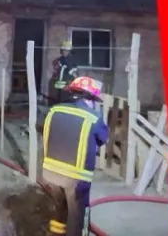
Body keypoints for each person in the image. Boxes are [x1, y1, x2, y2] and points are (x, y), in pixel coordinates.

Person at [41, 76, 108, 236]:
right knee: (77, 217)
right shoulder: (92, 117)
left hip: (50, 174)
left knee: (59, 209)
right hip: (76, 179)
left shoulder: (54, 110)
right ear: (90, 99)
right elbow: (103, 138)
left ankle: (55, 234)